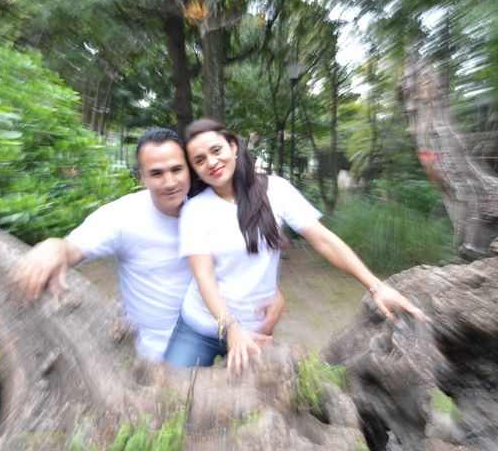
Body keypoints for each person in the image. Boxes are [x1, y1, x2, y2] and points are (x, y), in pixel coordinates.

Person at [163, 118, 429, 372]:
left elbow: (324, 241)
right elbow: (203, 276)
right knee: (170, 400)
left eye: (216, 150)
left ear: (233, 147)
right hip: (199, 328)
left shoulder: (276, 190)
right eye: (199, 160)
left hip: (258, 328)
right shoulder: (195, 210)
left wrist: (376, 287)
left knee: (253, 410)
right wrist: (231, 329)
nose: (211, 162)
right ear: (195, 169)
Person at [15, 127, 286, 361]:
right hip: (155, 356)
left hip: (229, 335)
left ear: (189, 170)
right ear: (141, 177)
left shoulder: (211, 208)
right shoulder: (121, 217)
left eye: (177, 170)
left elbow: (246, 260)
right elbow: (72, 249)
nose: (169, 182)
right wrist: (53, 245)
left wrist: (272, 294)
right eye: (156, 173)